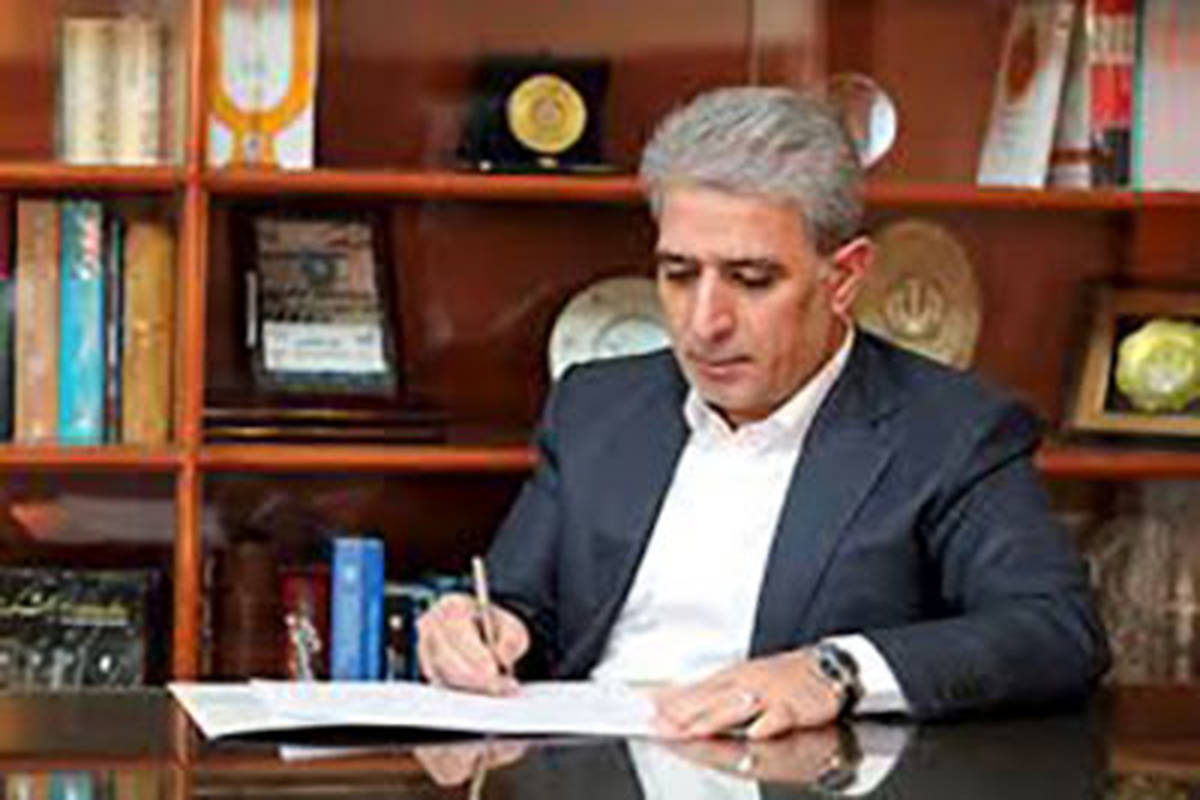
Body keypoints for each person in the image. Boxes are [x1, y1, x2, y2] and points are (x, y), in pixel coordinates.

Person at [416, 86, 1110, 738]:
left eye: (751, 280)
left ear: (844, 278)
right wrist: (476, 628)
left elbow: (1056, 631)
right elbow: (520, 608)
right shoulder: (596, 406)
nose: (705, 323)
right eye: (679, 274)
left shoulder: (953, 430)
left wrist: (833, 671)